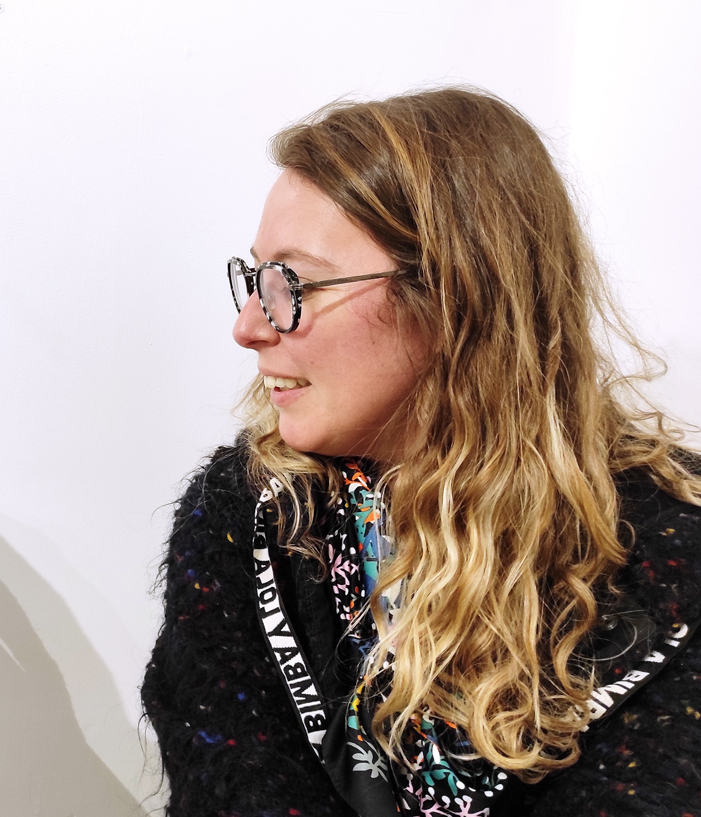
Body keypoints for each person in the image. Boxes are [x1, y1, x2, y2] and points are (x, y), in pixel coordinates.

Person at [141, 87, 701, 817]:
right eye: (256, 280)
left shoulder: (667, 547)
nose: (249, 326)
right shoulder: (250, 517)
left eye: (292, 284)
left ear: (454, 295)